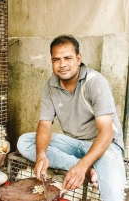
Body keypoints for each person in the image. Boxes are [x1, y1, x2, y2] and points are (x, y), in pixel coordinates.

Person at [17, 35, 126, 201]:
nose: (62, 65)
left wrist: (81, 166)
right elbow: (45, 125)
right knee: (25, 142)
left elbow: (106, 133)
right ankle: (90, 169)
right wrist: (41, 156)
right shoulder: (50, 86)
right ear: (51, 61)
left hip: (105, 145)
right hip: (74, 144)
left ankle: (86, 165)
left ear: (78, 58)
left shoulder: (95, 82)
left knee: (114, 195)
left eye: (68, 58)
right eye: (56, 60)